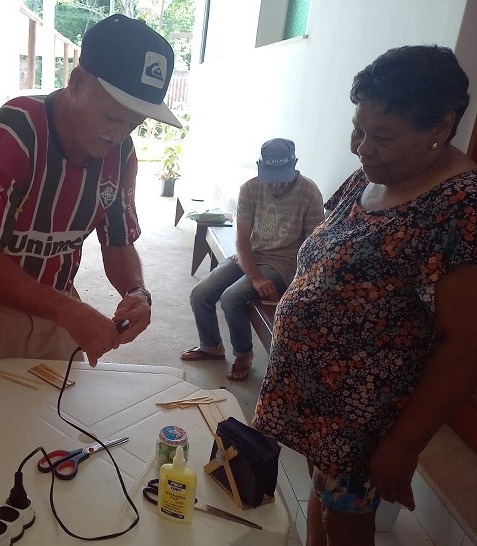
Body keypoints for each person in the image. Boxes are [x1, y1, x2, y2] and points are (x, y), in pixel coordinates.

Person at [253, 45, 477, 546]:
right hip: (318, 405)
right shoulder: (371, 176)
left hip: (365, 418)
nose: (362, 147)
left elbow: (464, 345)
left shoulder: (462, 206)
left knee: (347, 526)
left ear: (439, 128)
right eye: (358, 129)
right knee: (323, 499)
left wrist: (403, 445)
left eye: (383, 137)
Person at [0, 15, 181, 378]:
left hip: (58, 307)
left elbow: (118, 243)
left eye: (134, 123)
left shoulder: (121, 153)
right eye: (113, 115)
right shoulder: (15, 132)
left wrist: (137, 292)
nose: (119, 134)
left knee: (57, 424)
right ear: (78, 81)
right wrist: (70, 312)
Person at [180, 138, 323, 381]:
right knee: (201, 293)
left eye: (282, 176)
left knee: (232, 297)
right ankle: (211, 346)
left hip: (284, 263)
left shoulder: (309, 193)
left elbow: (313, 245)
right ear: (260, 166)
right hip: (250, 254)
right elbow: (242, 238)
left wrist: (299, 285)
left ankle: (243, 354)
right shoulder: (250, 188)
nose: (276, 184)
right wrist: (255, 277)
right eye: (270, 176)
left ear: (295, 164)